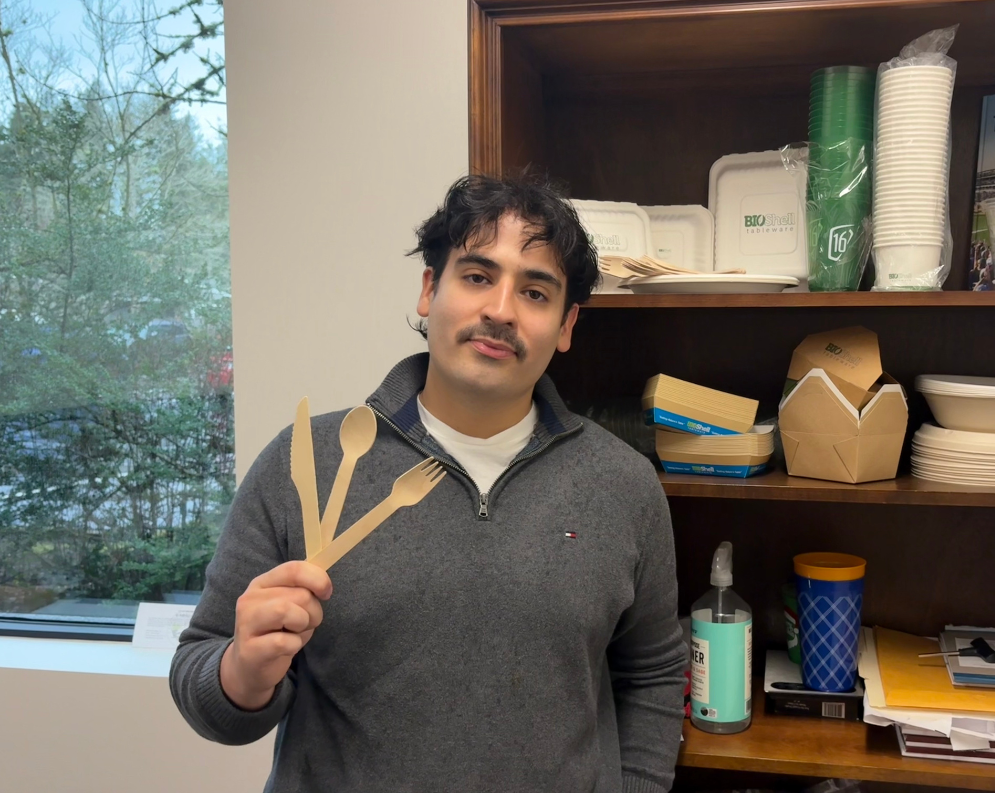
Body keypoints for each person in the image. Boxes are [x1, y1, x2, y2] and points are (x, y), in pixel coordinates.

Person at [170, 173, 689, 793]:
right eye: (476, 276)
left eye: (535, 291)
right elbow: (202, 677)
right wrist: (242, 674)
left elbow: (653, 674)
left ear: (567, 323)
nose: (499, 310)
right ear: (428, 288)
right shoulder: (306, 463)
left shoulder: (623, 485)